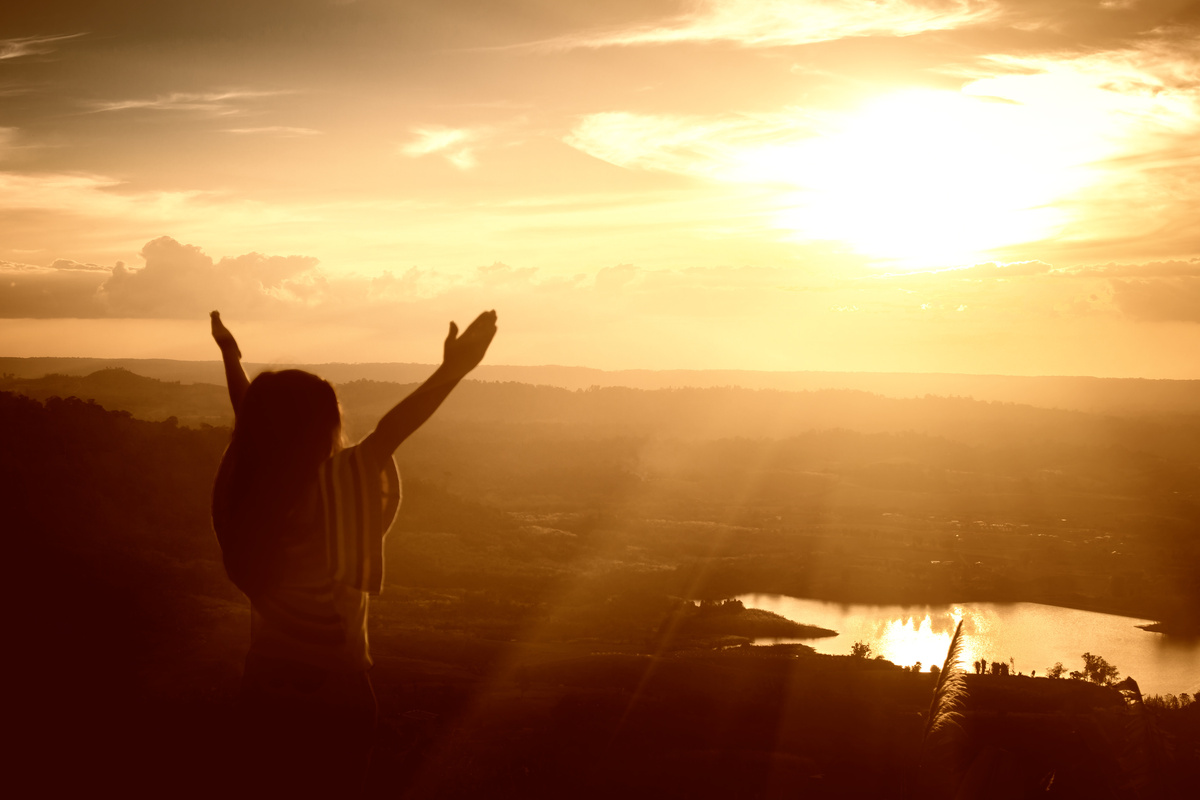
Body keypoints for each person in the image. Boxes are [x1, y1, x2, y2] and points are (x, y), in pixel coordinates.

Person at [209, 309, 497, 793]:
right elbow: (391, 432)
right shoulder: (336, 487)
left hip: (262, 688)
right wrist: (453, 370)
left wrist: (230, 355)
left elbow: (254, 425)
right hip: (333, 694)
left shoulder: (246, 493)